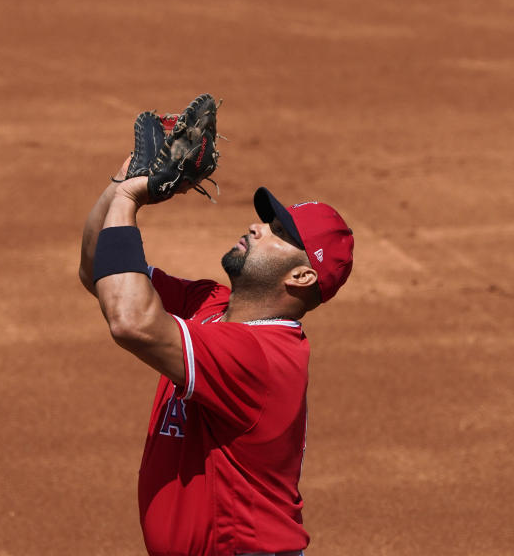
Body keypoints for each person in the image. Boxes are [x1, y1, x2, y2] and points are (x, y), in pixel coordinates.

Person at [78, 155, 354, 556]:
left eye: (277, 231)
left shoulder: (260, 356)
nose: (255, 227)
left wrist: (128, 199)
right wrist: (121, 181)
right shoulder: (210, 303)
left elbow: (131, 322)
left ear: (301, 276)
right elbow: (98, 271)